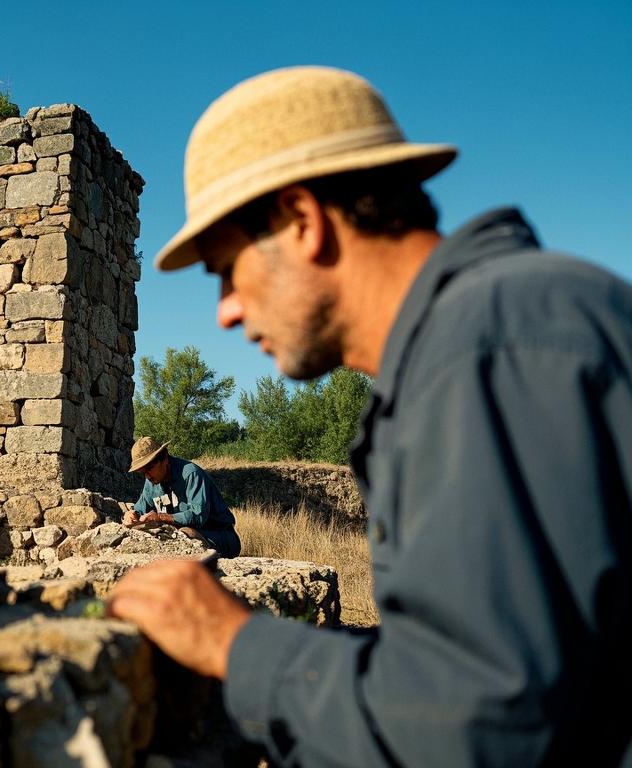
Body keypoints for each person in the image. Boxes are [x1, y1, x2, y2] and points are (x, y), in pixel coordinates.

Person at [107, 66, 632, 766]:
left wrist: (235, 644)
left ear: (303, 222)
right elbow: (491, 674)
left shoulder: (487, 352)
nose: (226, 311)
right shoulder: (496, 333)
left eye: (226, 270)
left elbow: (482, 735)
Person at [123, 436, 241, 558]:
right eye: (142, 472)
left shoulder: (191, 474)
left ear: (165, 459)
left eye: (150, 468)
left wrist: (160, 517)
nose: (147, 476)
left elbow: (198, 516)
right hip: (184, 533)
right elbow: (140, 508)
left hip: (219, 536)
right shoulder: (151, 481)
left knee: (182, 536)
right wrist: (132, 514)